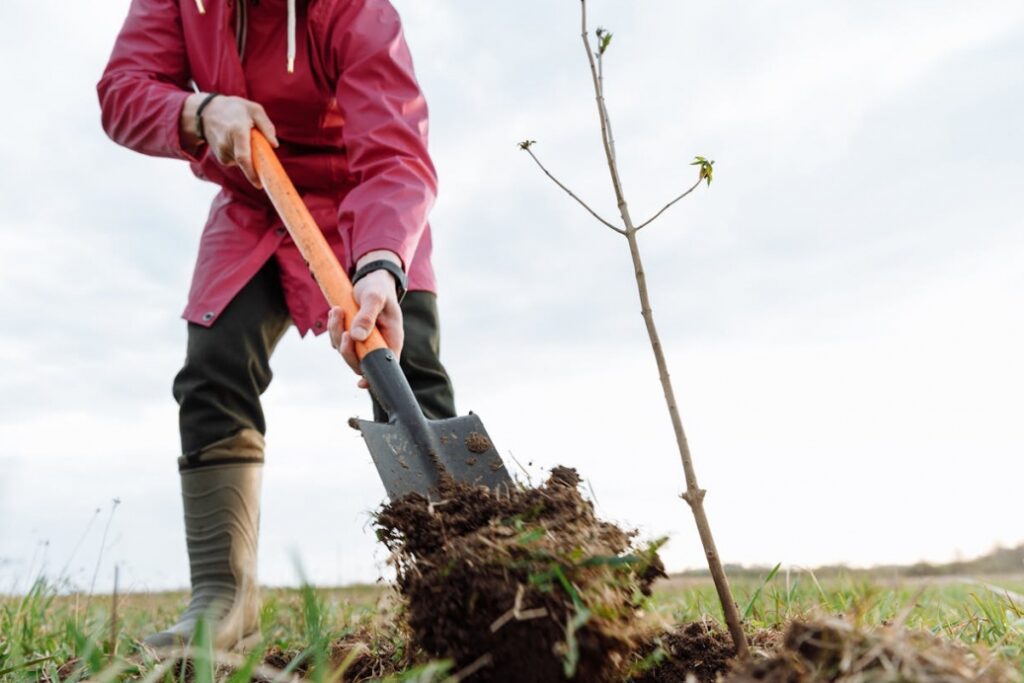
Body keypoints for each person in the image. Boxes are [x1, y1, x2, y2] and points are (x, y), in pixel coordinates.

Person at [97, 0, 455, 650]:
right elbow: (122, 92)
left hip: (362, 201)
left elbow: (395, 155)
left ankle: (455, 589)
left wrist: (380, 267)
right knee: (214, 364)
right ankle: (224, 603)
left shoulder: (355, 11)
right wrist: (199, 111)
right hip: (256, 200)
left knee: (407, 375)